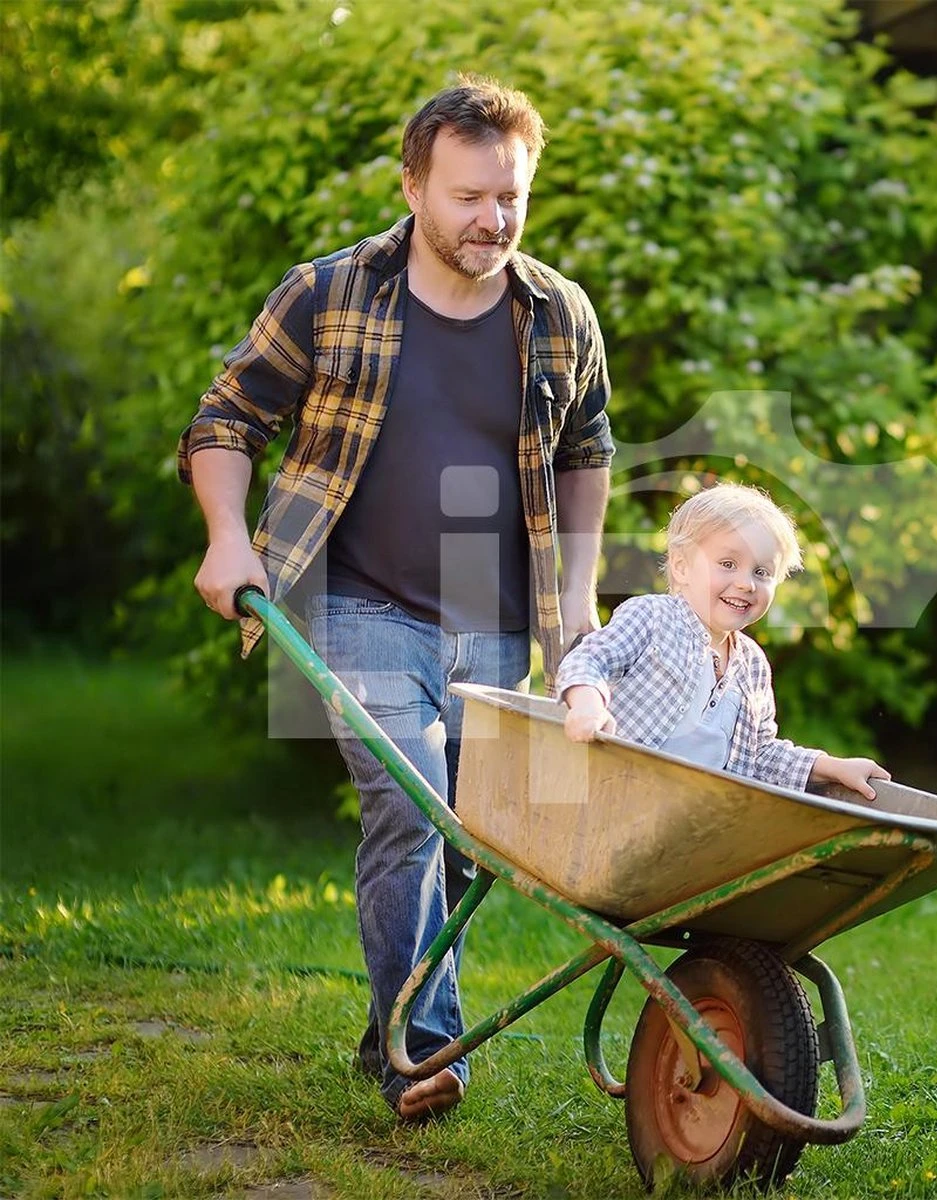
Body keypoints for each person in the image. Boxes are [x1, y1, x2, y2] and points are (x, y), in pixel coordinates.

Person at [177, 77, 613, 1122]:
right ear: (413, 186)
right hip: (359, 602)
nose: (491, 220)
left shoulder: (556, 314)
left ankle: (397, 1025)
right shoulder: (329, 293)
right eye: (467, 196)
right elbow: (226, 420)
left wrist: (579, 600)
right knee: (411, 809)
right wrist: (228, 538)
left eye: (510, 196)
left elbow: (586, 453)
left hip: (496, 618)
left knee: (467, 835)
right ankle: (424, 1049)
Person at [556, 484, 888, 799]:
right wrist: (588, 705)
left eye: (761, 572)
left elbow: (761, 756)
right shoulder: (652, 617)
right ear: (682, 567)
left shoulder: (753, 665)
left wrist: (833, 767)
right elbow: (590, 660)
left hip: (692, 819)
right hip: (615, 791)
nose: (746, 583)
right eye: (728, 564)